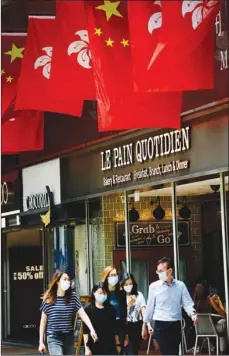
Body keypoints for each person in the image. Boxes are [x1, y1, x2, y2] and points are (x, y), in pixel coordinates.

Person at [142, 257, 198, 355]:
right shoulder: (154, 287)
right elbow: (150, 307)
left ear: (170, 270)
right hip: (160, 324)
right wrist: (146, 325)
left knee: (174, 351)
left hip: (175, 324)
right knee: (166, 350)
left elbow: (187, 303)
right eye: (158, 271)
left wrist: (192, 314)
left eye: (161, 271)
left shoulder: (180, 286)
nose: (159, 274)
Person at [38, 270, 98, 355]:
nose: (67, 282)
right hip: (54, 337)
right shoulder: (49, 299)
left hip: (68, 337)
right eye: (64, 279)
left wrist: (92, 329)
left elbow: (83, 314)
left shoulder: (72, 297)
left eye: (68, 280)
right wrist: (41, 342)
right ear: (57, 281)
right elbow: (43, 322)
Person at [83, 282, 118, 355]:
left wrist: (118, 344)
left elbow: (115, 329)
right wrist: (87, 348)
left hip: (110, 347)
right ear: (94, 293)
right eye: (100, 293)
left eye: (105, 293)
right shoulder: (88, 309)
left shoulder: (111, 309)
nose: (103, 295)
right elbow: (85, 331)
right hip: (94, 346)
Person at [193, 282, 227, 354]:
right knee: (223, 326)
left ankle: (212, 348)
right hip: (211, 328)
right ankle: (222, 352)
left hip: (199, 330)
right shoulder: (209, 300)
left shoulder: (194, 303)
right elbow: (223, 314)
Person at [101, 266, 128, 354]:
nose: (114, 277)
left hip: (119, 327)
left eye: (115, 275)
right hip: (106, 328)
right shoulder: (102, 292)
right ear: (106, 277)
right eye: (111, 275)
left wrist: (126, 333)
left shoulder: (121, 292)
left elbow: (124, 314)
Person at [120, 273, 146, 355]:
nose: (128, 286)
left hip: (137, 325)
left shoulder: (139, 295)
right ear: (122, 285)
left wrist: (144, 327)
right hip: (125, 326)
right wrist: (129, 305)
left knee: (135, 351)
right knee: (128, 351)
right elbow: (120, 313)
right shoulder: (120, 296)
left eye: (130, 284)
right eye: (126, 284)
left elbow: (143, 311)